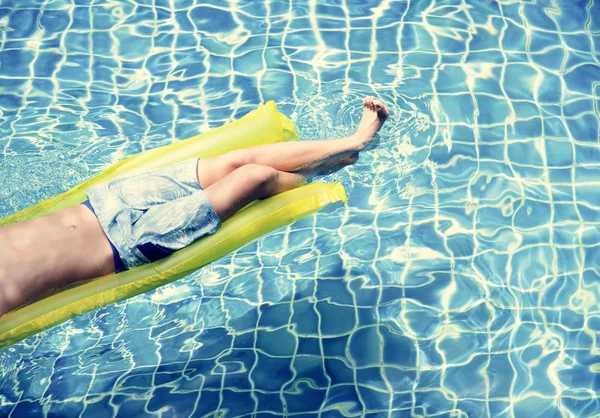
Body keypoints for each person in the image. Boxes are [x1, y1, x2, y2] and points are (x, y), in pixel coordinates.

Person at [0, 97, 389, 316]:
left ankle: (352, 142)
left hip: (103, 202)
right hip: (128, 242)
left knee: (233, 162)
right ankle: (322, 169)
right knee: (253, 178)